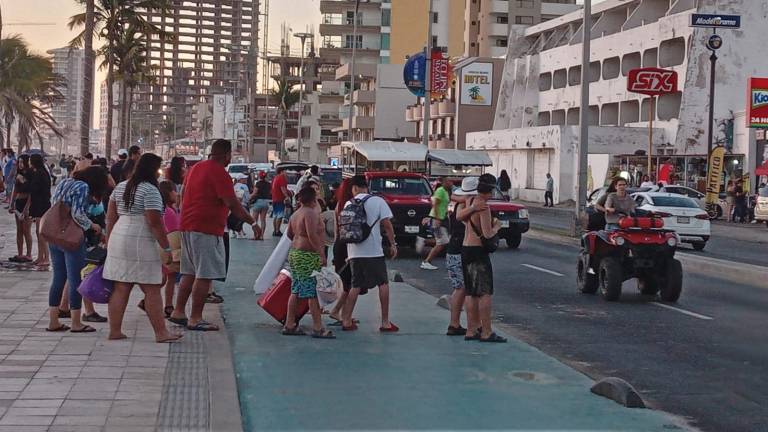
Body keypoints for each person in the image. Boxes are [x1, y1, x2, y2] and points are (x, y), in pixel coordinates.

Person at [169, 139, 259, 331]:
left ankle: (178, 311)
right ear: (226, 155)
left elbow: (182, 195)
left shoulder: (196, 168)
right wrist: (252, 223)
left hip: (188, 225)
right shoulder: (219, 173)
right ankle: (195, 317)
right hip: (206, 228)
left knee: (189, 272)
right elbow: (232, 203)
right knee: (204, 274)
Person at [104, 153, 181, 343]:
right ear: (153, 170)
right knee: (152, 287)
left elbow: (110, 217)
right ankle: (161, 333)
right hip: (140, 239)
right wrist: (167, 249)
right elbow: (155, 222)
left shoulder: (121, 187)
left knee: (121, 286)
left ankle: (115, 330)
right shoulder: (150, 190)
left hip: (119, 235)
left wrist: (109, 240)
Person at [45, 166, 109, 333]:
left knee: (58, 277)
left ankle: (53, 320)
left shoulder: (64, 182)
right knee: (75, 279)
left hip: (54, 235)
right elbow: (78, 214)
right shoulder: (83, 187)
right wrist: (93, 226)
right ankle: (76, 322)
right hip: (72, 238)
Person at [340, 175, 399, 333]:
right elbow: (387, 224)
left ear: (354, 188)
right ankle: (385, 322)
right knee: (383, 284)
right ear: (366, 186)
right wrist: (393, 244)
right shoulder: (378, 201)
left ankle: (346, 320)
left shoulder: (348, 203)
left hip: (354, 251)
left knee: (355, 285)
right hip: (373, 251)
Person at [456, 177, 505, 343]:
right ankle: (486, 331)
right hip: (478, 251)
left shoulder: (469, 201)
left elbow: (458, 216)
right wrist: (497, 226)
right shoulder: (483, 206)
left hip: (465, 248)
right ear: (489, 190)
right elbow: (487, 233)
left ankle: (471, 330)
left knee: (471, 292)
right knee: (484, 292)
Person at [281, 185, 334, 338]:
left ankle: (289, 324)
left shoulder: (295, 214)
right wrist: (321, 254)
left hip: (295, 253)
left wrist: (300, 238)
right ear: (313, 199)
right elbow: (312, 235)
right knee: (312, 292)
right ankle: (318, 327)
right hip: (307, 255)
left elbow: (290, 234)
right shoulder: (310, 213)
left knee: (296, 289)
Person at [445, 177, 478, 336]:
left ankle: (455, 323)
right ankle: (456, 324)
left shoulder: (458, 204)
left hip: (454, 249)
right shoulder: (466, 207)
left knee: (460, 288)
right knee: (462, 288)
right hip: (459, 250)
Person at [328, 178, 354, 325]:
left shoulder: (339, 205)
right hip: (348, 245)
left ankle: (344, 313)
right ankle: (337, 311)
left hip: (339, 244)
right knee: (350, 283)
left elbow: (337, 232)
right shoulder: (351, 206)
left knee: (345, 281)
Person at [159, 180, 181, 317]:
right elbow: (174, 230)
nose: (176, 193)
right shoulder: (169, 211)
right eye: (174, 191)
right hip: (169, 248)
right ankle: (168, 305)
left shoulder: (167, 209)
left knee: (165, 278)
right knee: (170, 277)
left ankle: (165, 304)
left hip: (164, 247)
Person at [421, 177, 453, 270]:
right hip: (438, 219)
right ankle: (427, 261)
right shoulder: (440, 191)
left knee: (443, 240)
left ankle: (425, 242)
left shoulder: (446, 192)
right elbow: (435, 204)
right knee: (442, 241)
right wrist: (437, 217)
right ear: (444, 183)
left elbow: (443, 205)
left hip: (442, 218)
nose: (451, 183)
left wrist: (447, 212)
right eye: (448, 181)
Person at [27, 154, 52, 267]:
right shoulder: (41, 172)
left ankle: (46, 257)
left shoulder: (40, 173)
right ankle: (40, 256)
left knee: (40, 232)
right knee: (38, 232)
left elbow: (35, 188)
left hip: (41, 205)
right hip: (40, 204)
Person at [8, 155, 33, 263]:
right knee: (19, 230)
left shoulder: (31, 175)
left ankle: (28, 254)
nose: (20, 164)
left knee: (26, 230)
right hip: (18, 202)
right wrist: (11, 203)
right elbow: (15, 190)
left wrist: (27, 207)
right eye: (19, 162)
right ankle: (20, 253)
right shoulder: (18, 175)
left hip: (27, 202)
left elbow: (32, 193)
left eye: (22, 162)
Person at [249, 171, 271, 240]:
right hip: (266, 203)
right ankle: (262, 236)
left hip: (258, 202)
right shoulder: (268, 184)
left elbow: (255, 193)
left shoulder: (258, 183)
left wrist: (249, 197)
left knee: (254, 220)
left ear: (259, 176)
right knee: (263, 220)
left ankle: (255, 235)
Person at [270, 166, 291, 236]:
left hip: (274, 198)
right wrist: (287, 196)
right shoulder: (281, 178)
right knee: (280, 215)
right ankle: (277, 230)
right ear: (281, 171)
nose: (286, 172)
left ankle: (274, 230)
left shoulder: (275, 178)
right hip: (279, 199)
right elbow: (283, 188)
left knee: (275, 215)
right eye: (285, 171)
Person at [230, 173, 251, 238]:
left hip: (234, 205)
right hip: (243, 205)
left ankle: (233, 233)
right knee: (243, 218)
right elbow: (247, 197)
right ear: (240, 179)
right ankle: (239, 232)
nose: (245, 179)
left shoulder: (234, 186)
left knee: (235, 218)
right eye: (244, 178)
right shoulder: (244, 186)